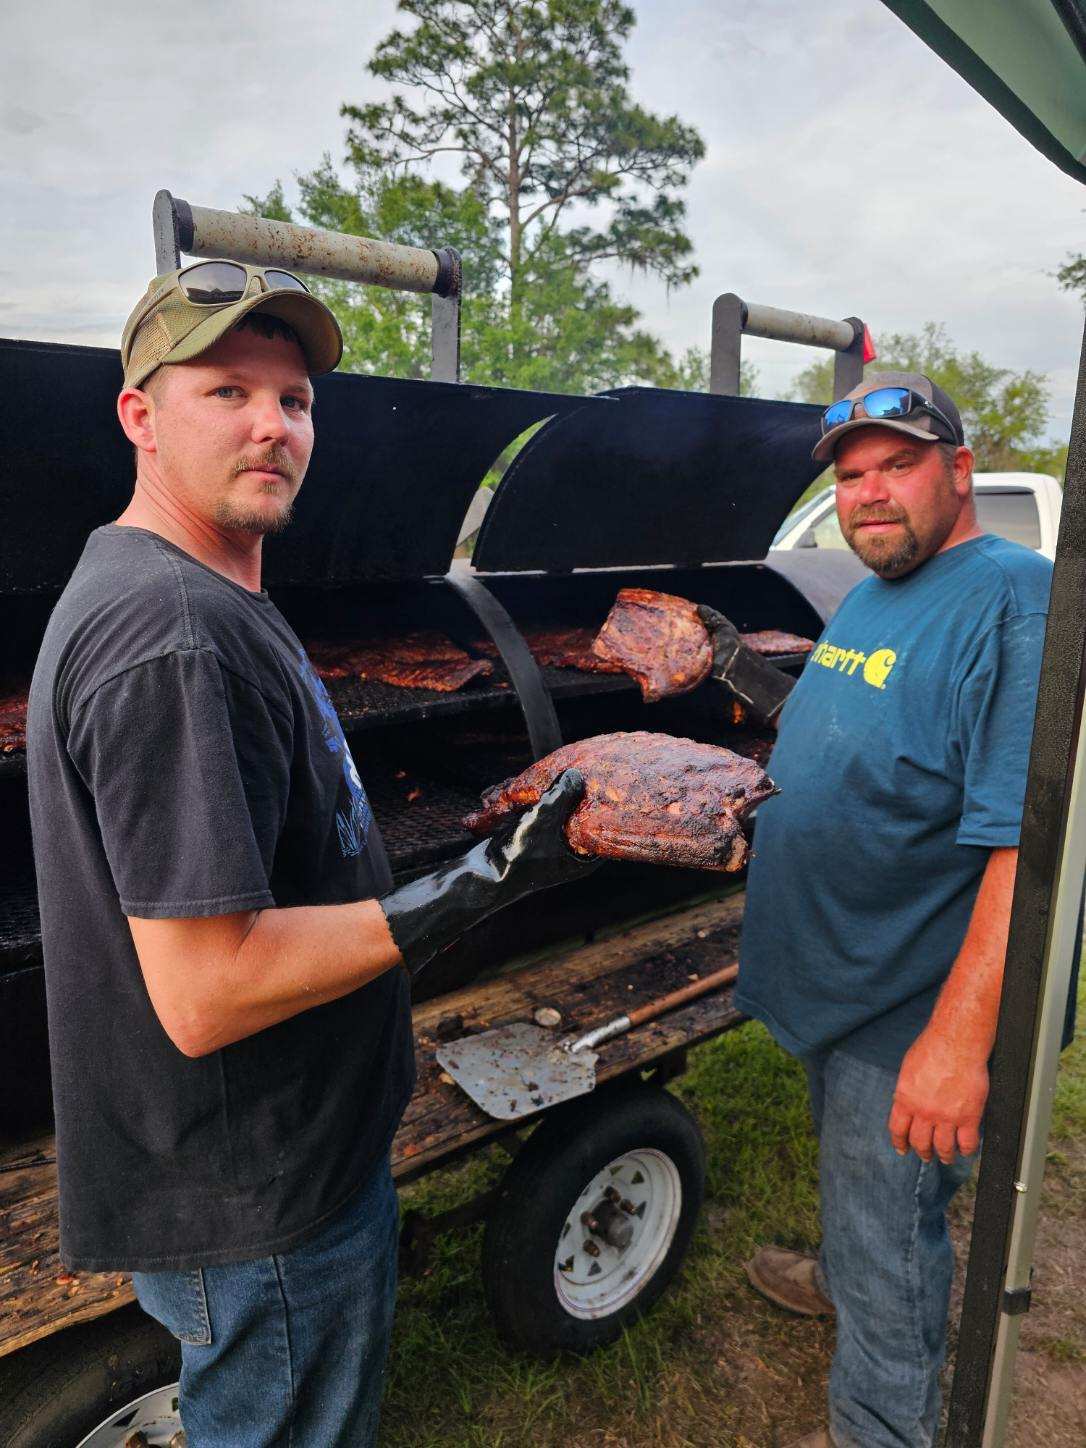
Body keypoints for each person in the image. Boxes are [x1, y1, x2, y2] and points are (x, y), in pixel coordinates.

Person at [27, 260, 595, 1447]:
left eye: (295, 400)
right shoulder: (172, 632)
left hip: (268, 1165)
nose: (271, 426)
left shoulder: (192, 579)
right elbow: (208, 988)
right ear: (139, 414)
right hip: (262, 1199)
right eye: (227, 390)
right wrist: (477, 878)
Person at [702, 373, 1052, 1448]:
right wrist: (732, 671)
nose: (869, 493)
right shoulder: (875, 586)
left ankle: (882, 1414)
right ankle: (848, 1271)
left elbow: (1024, 845)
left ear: (958, 470)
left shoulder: (1016, 599)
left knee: (894, 1228)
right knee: (866, 1196)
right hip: (837, 973)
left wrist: (956, 1042)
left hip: (911, 1001)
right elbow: (850, 719)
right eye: (852, 476)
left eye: (897, 464)